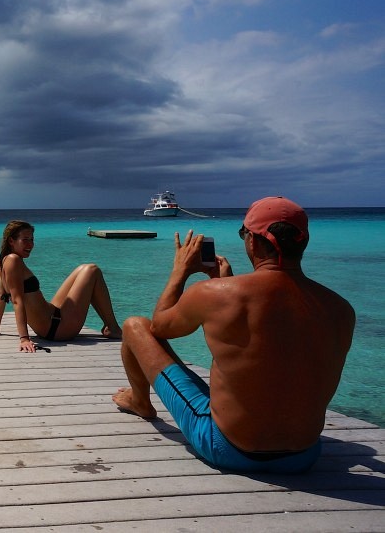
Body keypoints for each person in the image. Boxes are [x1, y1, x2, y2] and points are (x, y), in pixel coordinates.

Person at [112, 197, 355, 473]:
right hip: (304, 453)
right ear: (302, 242)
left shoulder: (216, 296)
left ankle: (140, 401)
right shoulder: (341, 309)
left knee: (135, 325)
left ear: (251, 240)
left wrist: (180, 272)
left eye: (244, 234)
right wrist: (221, 283)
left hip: (229, 449)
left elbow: (160, 328)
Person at [0, 220, 122, 351]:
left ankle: (111, 326)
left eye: (32, 240)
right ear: (11, 241)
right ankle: (112, 328)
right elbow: (17, 300)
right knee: (92, 270)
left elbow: (2, 296)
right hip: (58, 328)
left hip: (53, 318)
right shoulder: (13, 260)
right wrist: (24, 339)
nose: (30, 245)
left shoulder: (2, 262)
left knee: (83, 269)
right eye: (25, 240)